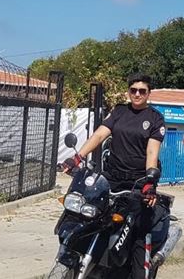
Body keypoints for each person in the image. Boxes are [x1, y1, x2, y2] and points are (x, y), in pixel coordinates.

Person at [61, 73, 168, 279]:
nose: (137, 94)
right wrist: (77, 158)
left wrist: (149, 182)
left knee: (138, 230)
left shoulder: (155, 118)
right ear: (128, 92)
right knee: (90, 216)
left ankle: (141, 271)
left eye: (142, 91)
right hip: (111, 177)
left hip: (138, 182)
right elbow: (99, 135)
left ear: (148, 93)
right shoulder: (119, 112)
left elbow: (152, 152)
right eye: (133, 90)